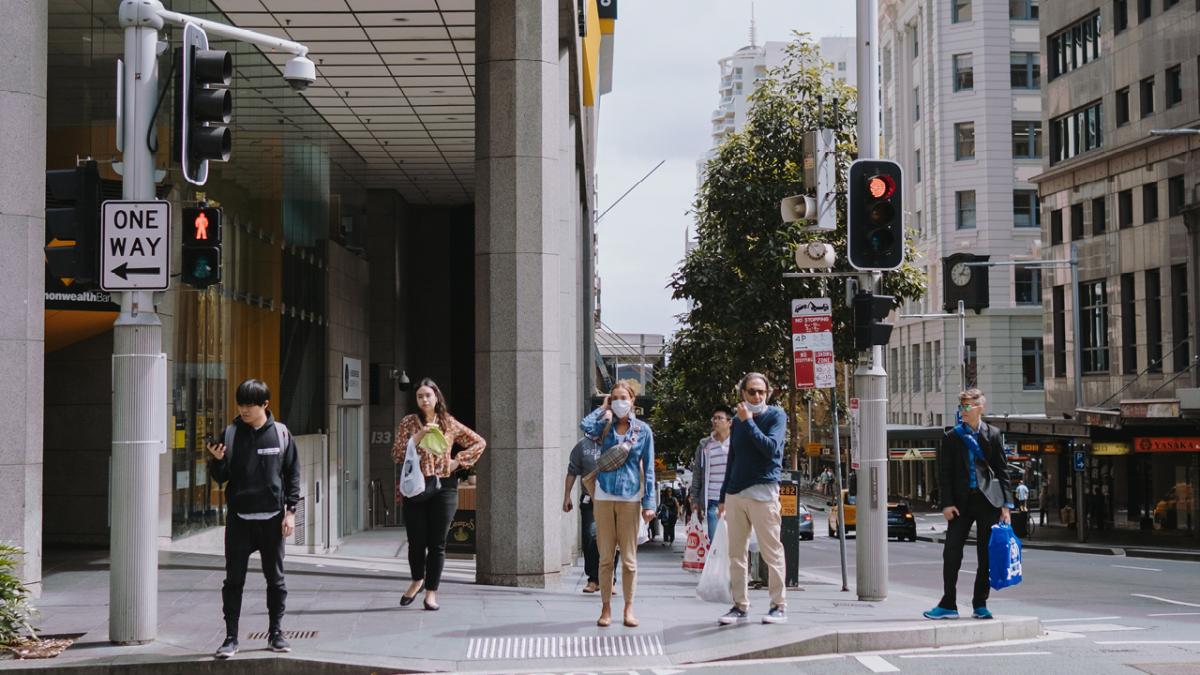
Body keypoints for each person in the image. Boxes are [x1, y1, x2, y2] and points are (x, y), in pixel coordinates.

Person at [207, 379, 301, 659]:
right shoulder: (232, 433)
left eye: (250, 405)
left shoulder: (282, 434)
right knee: (233, 581)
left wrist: (291, 512)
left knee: (276, 580)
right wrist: (216, 461)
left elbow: (292, 474)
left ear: (265, 405)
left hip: (272, 519)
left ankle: (276, 633)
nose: (244, 410)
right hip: (239, 520)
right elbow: (221, 478)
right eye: (241, 404)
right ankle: (231, 638)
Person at [391, 378, 486, 611]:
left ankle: (431, 593)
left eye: (428, 395)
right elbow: (396, 454)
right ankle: (417, 580)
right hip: (415, 486)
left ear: (436, 398)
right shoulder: (408, 423)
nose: (424, 400)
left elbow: (478, 442)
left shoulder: (448, 423)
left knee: (437, 543)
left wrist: (457, 462)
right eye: (420, 396)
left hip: (444, 487)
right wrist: (419, 435)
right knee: (416, 540)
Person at [924, 389, 1013, 621]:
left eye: (967, 406)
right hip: (960, 505)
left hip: (988, 503)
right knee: (951, 551)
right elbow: (945, 474)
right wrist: (946, 504)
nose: (963, 411)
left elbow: (1002, 471)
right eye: (961, 406)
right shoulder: (953, 436)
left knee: (986, 554)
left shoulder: (992, 434)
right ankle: (948, 603)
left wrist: (1006, 506)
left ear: (980, 407)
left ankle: (980, 603)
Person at [580, 381, 656, 628]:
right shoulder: (605, 425)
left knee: (630, 560)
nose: (619, 401)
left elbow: (650, 468)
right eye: (614, 398)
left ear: (633, 400)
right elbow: (585, 427)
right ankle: (605, 609)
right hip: (603, 496)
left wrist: (649, 503)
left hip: (631, 498)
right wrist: (603, 409)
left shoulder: (643, 431)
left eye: (623, 397)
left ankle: (629, 608)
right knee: (605, 557)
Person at [718, 372, 789, 626]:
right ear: (743, 394)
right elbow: (732, 458)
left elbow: (771, 449)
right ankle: (739, 605)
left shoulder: (776, 416)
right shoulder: (736, 422)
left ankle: (778, 605)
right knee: (736, 554)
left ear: (768, 393)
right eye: (751, 392)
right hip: (736, 494)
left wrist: (748, 422)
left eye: (761, 391)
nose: (757, 396)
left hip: (764, 493)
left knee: (772, 552)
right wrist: (722, 496)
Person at [563, 435, 615, 594]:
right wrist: (567, 496)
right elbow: (572, 471)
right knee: (590, 537)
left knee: (613, 541)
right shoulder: (582, 446)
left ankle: (609, 580)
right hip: (590, 500)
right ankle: (593, 579)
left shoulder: (617, 442)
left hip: (613, 499)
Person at [688, 405, 732, 542]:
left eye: (720, 418)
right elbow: (697, 474)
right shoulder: (705, 445)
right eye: (714, 418)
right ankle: (716, 563)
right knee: (715, 543)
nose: (716, 421)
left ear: (729, 422)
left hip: (734, 500)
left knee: (734, 544)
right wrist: (695, 499)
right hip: (713, 500)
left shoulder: (737, 443)